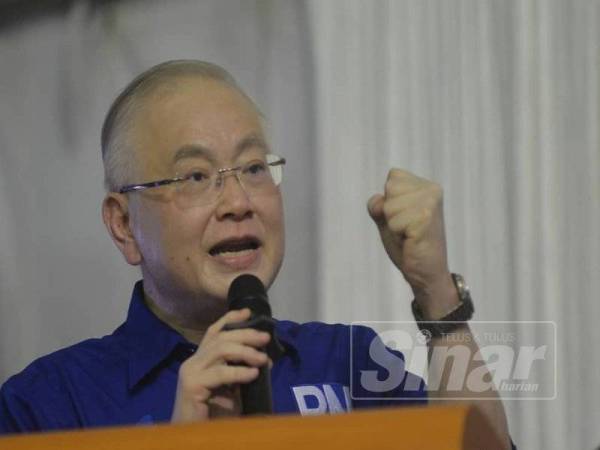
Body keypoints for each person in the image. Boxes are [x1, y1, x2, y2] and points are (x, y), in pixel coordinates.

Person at [0, 60, 512, 448]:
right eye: (196, 177)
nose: (239, 202)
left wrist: (437, 293)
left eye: (253, 168)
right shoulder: (47, 405)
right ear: (123, 223)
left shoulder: (350, 364)